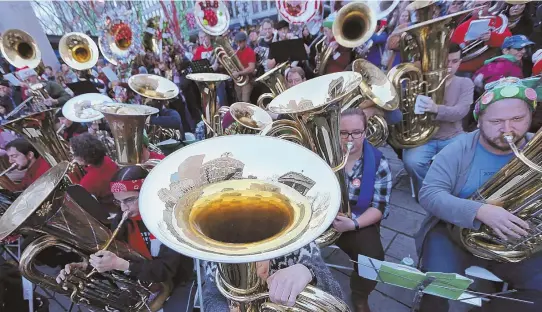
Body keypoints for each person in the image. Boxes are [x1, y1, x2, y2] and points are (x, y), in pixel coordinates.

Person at [417, 78, 542, 312]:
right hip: (453, 235)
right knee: (436, 294)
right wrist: (480, 211)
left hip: (516, 239)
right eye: (496, 121)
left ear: (530, 116)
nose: (507, 130)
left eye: (517, 119)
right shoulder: (459, 149)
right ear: (479, 120)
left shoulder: (537, 151)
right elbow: (430, 194)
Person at [56, 166, 194, 311]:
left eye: (129, 200)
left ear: (147, 192)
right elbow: (116, 257)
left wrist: (123, 265)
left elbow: (166, 270)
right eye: (118, 201)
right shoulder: (121, 221)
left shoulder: (168, 220)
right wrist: (87, 267)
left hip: (178, 283)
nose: (123, 208)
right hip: (143, 285)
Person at [332, 108, 391, 312]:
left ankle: (359, 295)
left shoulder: (379, 162)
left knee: (373, 259)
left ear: (365, 132)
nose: (350, 138)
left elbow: (379, 207)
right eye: (343, 132)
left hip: (357, 220)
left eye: (356, 132)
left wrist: (353, 224)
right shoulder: (326, 154)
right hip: (323, 219)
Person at [403, 43, 474, 197]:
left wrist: (436, 109)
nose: (449, 66)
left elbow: (461, 112)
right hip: (424, 138)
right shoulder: (423, 82)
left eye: (455, 61)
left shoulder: (465, 83)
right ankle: (430, 192)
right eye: (445, 62)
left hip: (453, 136)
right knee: (411, 162)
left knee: (467, 160)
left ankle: (445, 190)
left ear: (460, 62)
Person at [202, 242, 344, 311]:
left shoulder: (299, 242)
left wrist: (308, 272)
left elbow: (336, 298)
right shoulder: (215, 248)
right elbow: (211, 297)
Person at [451, 0, 512, 74]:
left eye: (485, 4)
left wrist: (492, 37)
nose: (482, 8)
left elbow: (509, 41)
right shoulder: (462, 27)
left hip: (494, 67)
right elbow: (453, 51)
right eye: (477, 6)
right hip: (468, 70)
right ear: (471, 8)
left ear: (489, 5)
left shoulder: (498, 20)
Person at [70, 133, 118, 213]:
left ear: (83, 158)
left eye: (74, 154)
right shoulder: (107, 159)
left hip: (110, 209)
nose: (73, 157)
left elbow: (85, 204)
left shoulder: (87, 182)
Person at [232, 32, 256, 103]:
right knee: (240, 100)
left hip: (247, 80)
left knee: (245, 100)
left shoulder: (250, 52)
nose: (238, 44)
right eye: (237, 42)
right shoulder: (236, 52)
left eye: (240, 42)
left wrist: (239, 73)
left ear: (245, 41)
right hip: (238, 80)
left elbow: (251, 68)